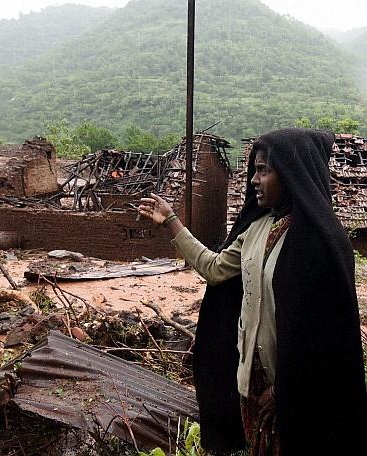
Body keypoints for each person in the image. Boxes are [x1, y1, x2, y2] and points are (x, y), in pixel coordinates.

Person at [138, 128, 366, 455]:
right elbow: (215, 269)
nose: (254, 180)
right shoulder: (256, 229)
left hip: (299, 396)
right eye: (254, 170)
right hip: (251, 387)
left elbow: (326, 334)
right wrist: (171, 222)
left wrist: (284, 389)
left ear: (289, 173)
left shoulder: (321, 243)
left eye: (264, 170)